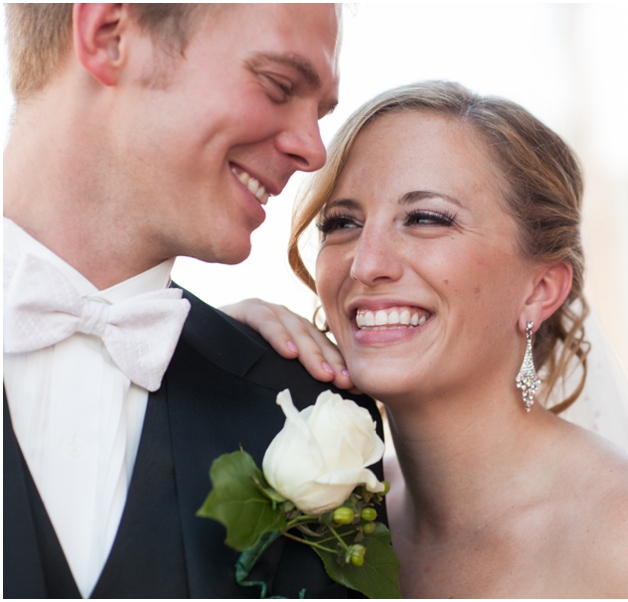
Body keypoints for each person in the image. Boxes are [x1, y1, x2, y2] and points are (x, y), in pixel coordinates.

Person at [227, 80, 628, 597]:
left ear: (540, 288)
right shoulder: (336, 511)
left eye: (426, 218)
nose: (365, 264)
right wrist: (210, 349)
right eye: (342, 223)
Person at [3, 4, 383, 598]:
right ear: (110, 35)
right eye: (280, 85)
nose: (315, 151)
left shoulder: (309, 420)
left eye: (320, 112)